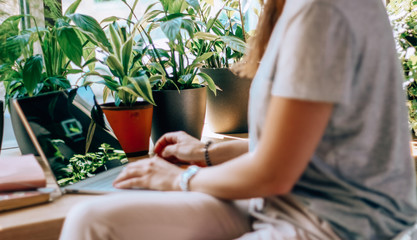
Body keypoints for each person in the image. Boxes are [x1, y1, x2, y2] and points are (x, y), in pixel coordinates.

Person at [59, 0, 417, 239]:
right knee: (89, 220)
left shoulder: (321, 11)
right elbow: (303, 148)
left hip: (333, 224)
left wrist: (182, 179)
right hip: (282, 204)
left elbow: (274, 172)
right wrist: (207, 150)